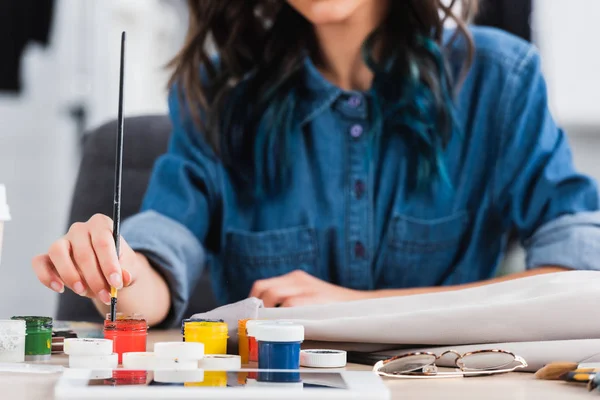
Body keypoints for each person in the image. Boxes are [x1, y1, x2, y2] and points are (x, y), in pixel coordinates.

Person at [32, 0, 600, 328]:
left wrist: (360, 308)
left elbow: (578, 279)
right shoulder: (218, 95)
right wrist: (114, 270)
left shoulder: (502, 81)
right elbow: (159, 265)